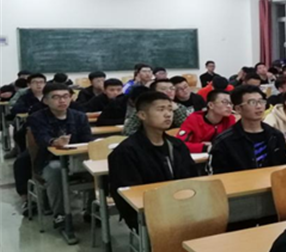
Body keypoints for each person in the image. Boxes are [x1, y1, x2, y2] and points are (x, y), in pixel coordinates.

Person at [109, 91, 197, 229]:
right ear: (142, 115)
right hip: (149, 213)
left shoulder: (177, 145)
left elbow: (192, 178)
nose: (168, 114)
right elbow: (127, 195)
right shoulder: (126, 151)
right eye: (160, 109)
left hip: (183, 206)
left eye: (170, 109)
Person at [27, 82, 93, 228]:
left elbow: (87, 139)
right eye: (56, 97)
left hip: (76, 159)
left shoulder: (80, 116)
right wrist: (54, 141)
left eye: (65, 96)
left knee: (96, 171)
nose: (62, 100)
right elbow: (42, 138)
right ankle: (60, 215)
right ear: (45, 100)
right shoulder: (37, 118)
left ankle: (92, 211)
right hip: (49, 160)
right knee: (56, 171)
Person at [208, 85, 286, 174]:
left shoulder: (275, 135)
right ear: (238, 109)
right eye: (252, 102)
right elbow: (217, 176)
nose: (259, 106)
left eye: (261, 101)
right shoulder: (224, 141)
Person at [123, 78, 189, 135]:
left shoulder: (180, 107)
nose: (169, 91)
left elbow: (187, 129)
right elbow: (128, 131)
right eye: (163, 89)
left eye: (172, 88)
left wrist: (177, 111)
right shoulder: (144, 107)